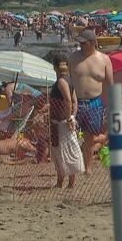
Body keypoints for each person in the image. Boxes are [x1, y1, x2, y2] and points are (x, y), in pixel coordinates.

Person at [69, 29, 114, 172]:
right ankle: (74, 166)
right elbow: (67, 81)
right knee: (72, 136)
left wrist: (112, 104)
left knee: (89, 137)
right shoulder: (73, 58)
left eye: (84, 43)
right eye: (80, 43)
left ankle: (88, 167)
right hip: (77, 102)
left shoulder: (104, 59)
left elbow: (110, 83)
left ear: (92, 43)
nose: (81, 45)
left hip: (95, 102)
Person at [50, 54, 84, 188]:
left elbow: (69, 101)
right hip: (65, 121)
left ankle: (61, 182)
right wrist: (72, 117)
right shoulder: (70, 80)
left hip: (60, 123)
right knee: (68, 151)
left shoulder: (61, 82)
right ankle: (70, 182)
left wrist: (68, 117)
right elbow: (75, 101)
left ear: (55, 67)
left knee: (60, 152)